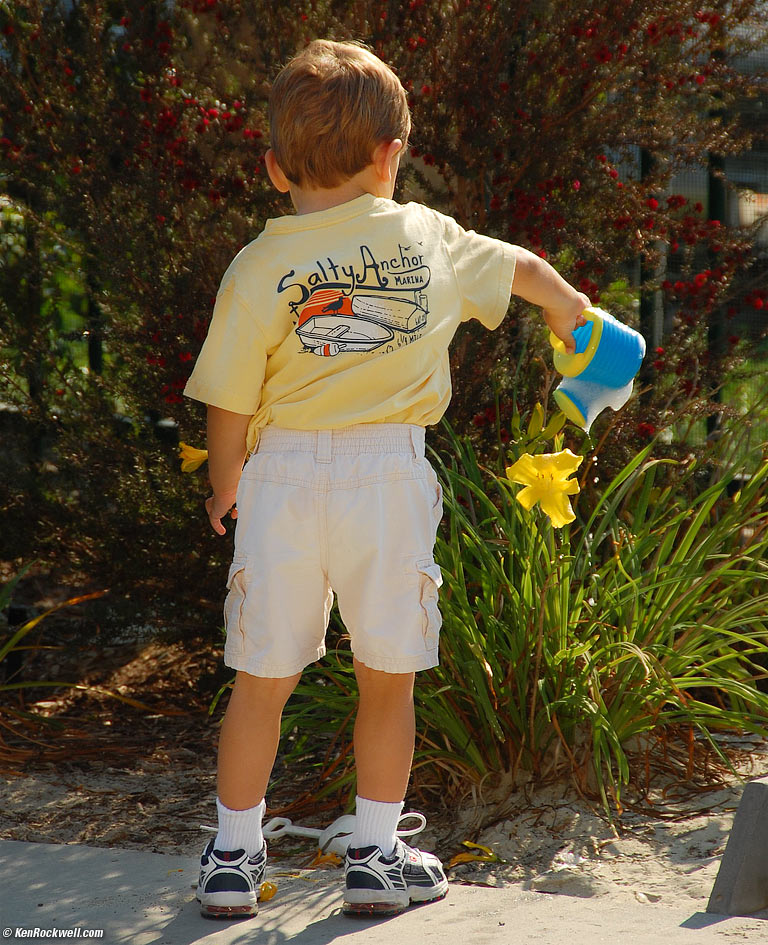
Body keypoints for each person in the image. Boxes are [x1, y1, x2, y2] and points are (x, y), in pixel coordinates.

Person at [184, 38, 589, 920]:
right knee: (387, 674)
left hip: (282, 473)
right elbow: (520, 267)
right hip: (388, 477)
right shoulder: (426, 237)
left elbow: (225, 395)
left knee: (261, 677)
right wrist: (571, 309)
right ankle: (374, 850)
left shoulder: (258, 266)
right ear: (391, 155)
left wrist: (227, 483)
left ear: (272, 167)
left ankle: (232, 852)